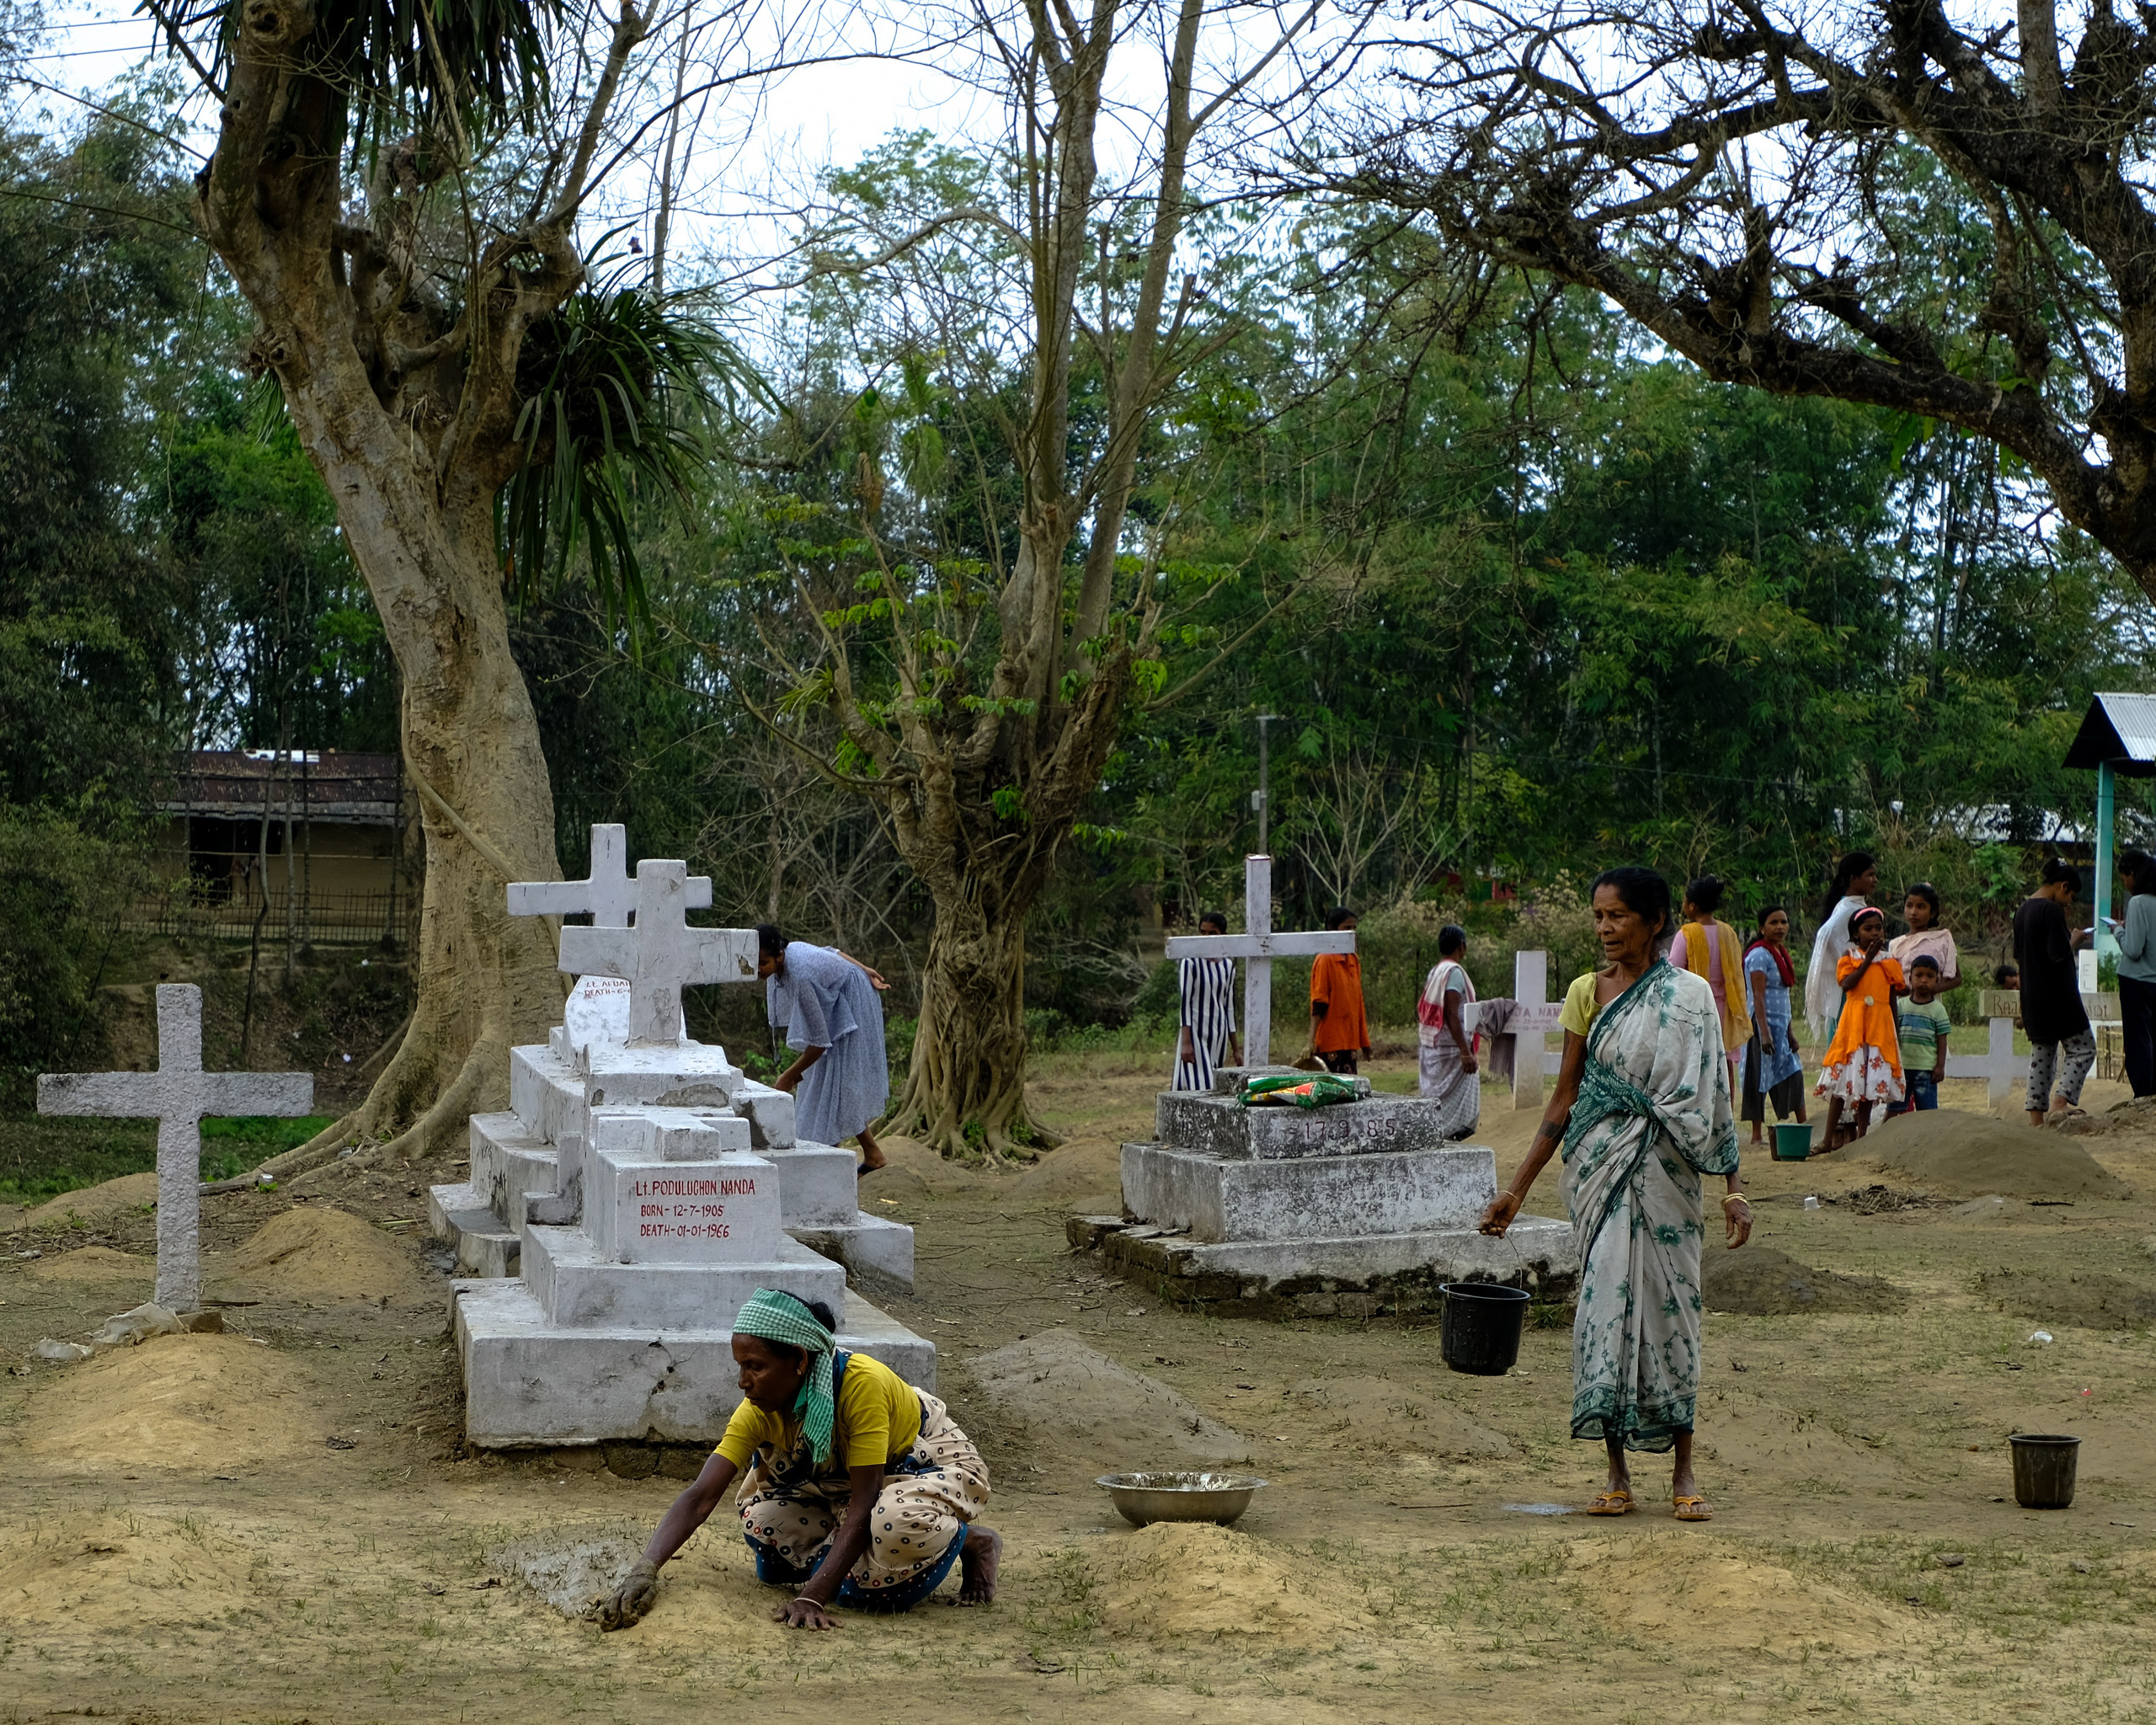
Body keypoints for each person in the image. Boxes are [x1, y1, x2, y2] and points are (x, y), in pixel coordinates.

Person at [1478, 866, 1749, 1523]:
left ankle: (1684, 1471)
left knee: (1674, 1314)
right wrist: (1516, 1190)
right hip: (1600, 1172)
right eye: (1598, 915)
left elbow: (1713, 1095)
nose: (1604, 928)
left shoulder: (1690, 996)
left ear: (1654, 922)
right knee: (1606, 1312)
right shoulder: (1586, 993)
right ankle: (1616, 1473)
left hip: (1669, 1176)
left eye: (1617, 915)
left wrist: (1734, 1190)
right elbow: (1565, 1097)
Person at [595, 1290, 999, 1632]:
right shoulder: (758, 1410)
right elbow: (701, 1496)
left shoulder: (862, 1387)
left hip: (918, 1461)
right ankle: (849, 1557)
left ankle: (972, 1541)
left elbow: (864, 1501)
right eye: (740, 1366)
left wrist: (812, 1598)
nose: (742, 1381)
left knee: (893, 1532)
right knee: (766, 1532)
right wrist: (645, 1569)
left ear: (800, 1361)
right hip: (844, 1486)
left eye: (755, 1366)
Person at [758, 927, 893, 1175]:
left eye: (762, 963)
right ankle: (867, 1154)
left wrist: (788, 1076)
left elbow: (819, 1044)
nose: (757, 969)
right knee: (824, 1081)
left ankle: (854, 1156)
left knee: (839, 1079)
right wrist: (865, 968)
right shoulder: (789, 954)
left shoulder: (801, 978)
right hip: (837, 994)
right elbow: (833, 952)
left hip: (853, 999)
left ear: (779, 956)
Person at [1815, 906, 1905, 1147]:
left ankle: (1862, 1138)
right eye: (1868, 929)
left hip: (1879, 1027)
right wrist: (1866, 961)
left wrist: (1895, 1032)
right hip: (1854, 1026)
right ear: (1856, 934)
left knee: (1869, 1083)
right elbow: (1847, 984)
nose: (1875, 933)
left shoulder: (1889, 961)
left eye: (1878, 928)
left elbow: (1892, 998)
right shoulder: (1850, 957)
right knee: (1843, 1079)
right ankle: (1827, 1139)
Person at [2015, 860, 2095, 1127]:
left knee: (2042, 1057)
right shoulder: (2051, 910)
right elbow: (2058, 953)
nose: (2069, 903)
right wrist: (2075, 939)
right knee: (2084, 1049)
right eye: (2070, 895)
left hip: (2033, 998)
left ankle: (2036, 1118)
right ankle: (2061, 1102)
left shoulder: (2022, 911)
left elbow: (2020, 958)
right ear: (2063, 886)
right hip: (2060, 997)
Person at [1668, 875, 1752, 1101]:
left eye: (1685, 901)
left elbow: (1673, 973)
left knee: (1696, 1064)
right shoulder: (1728, 932)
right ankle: (1726, 1112)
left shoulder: (1687, 933)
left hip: (1695, 1010)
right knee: (1724, 1066)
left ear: (1692, 905)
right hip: (1725, 1012)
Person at [1740, 908, 1806, 1146]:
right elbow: (1758, 996)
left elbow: (1783, 997)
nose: (1780, 927)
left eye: (1784, 922)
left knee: (1794, 1073)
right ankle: (1756, 1135)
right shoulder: (1759, 955)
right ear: (1762, 928)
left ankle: (1804, 1126)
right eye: (1773, 922)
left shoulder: (1780, 953)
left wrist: (1790, 1032)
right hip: (1761, 1025)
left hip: (1781, 1026)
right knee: (1758, 1076)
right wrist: (1764, 1034)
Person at [1415, 924, 1480, 1140]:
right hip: (1452, 1049)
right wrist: (1465, 1052)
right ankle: (1449, 1136)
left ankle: (1438, 1133)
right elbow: (1451, 1013)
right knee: (1456, 1109)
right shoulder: (1454, 973)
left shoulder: (1436, 971)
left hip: (1435, 1047)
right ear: (1462, 946)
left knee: (1435, 1099)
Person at [1806, 851, 1879, 1040]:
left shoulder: (1855, 908)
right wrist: (1852, 963)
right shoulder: (1847, 911)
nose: (1875, 880)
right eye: (1870, 875)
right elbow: (1827, 934)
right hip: (1850, 989)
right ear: (1854, 879)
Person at [1171, 911, 1242, 1092]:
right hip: (1195, 1032)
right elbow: (1185, 1003)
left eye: (1212, 933)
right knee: (1203, 1086)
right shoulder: (1190, 963)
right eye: (1203, 932)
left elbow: (1229, 1008)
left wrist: (1236, 1049)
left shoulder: (1227, 966)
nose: (1206, 937)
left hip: (1218, 1036)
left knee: (1213, 1084)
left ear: (1223, 935)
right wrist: (1186, 1042)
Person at [2114, 849, 2156, 1097]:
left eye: (2124, 879)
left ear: (2132, 874)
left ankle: (2142, 1092)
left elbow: (2133, 949)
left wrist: (2119, 932)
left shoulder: (2138, 903)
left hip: (2136, 981)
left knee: (2138, 1040)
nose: (2125, 884)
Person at [1308, 908, 1369, 1075]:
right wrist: (1310, 1041)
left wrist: (1364, 1041)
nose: (1352, 933)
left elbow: (1358, 1003)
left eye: (1354, 928)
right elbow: (1319, 1002)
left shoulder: (1353, 959)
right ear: (1332, 929)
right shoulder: (1325, 959)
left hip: (1349, 1041)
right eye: (1347, 928)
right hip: (1330, 1042)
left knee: (1349, 1086)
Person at [1893, 955, 1951, 1113]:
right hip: (1902, 1068)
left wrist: (1940, 1066)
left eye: (1930, 976)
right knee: (1895, 1107)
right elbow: (1893, 1035)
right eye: (1919, 976)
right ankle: (1886, 1130)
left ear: (1937, 980)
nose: (1924, 980)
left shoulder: (1938, 1010)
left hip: (1926, 1069)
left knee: (1927, 1112)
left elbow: (1942, 1040)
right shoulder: (1900, 1005)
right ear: (1910, 979)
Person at [1887, 882, 1963, 994]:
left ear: (1932, 912)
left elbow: (1957, 979)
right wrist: (1906, 992)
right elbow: (1890, 981)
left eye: (1921, 907)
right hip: (1902, 1002)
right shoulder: (1895, 944)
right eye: (1909, 906)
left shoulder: (1942, 939)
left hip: (1931, 1002)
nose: (1913, 912)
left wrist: (1932, 990)